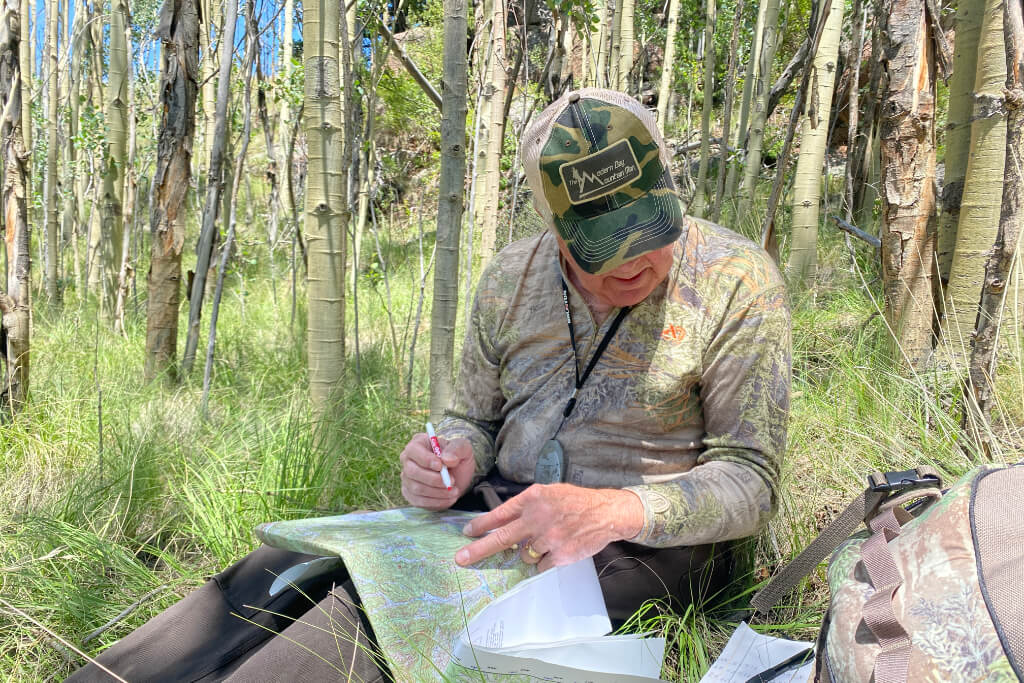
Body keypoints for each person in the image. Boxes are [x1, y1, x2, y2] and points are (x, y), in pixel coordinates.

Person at [68, 88, 789, 682]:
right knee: (289, 565)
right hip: (496, 509)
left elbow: (751, 480)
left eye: (646, 224)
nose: (634, 258)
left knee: (372, 614)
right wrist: (453, 457)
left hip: (646, 545)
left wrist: (611, 510)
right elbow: (471, 417)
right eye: (603, 242)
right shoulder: (513, 277)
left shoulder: (735, 280)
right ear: (554, 227)